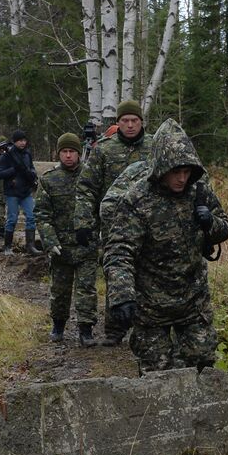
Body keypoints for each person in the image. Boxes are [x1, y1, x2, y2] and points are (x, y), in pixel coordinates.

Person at [103, 120, 228, 373]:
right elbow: (120, 250)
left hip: (193, 302)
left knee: (202, 366)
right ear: (162, 168)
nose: (182, 178)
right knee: (157, 375)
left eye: (186, 171)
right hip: (151, 306)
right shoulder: (138, 199)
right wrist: (121, 296)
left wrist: (210, 223)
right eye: (176, 172)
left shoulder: (198, 190)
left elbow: (224, 228)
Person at [74, 100, 152, 345]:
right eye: (125, 121)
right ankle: (115, 329)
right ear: (117, 123)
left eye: (134, 121)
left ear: (141, 122)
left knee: (150, 275)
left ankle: (148, 328)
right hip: (114, 226)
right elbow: (86, 188)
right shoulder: (104, 150)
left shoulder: (155, 147)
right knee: (117, 274)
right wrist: (84, 222)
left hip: (150, 223)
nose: (130, 125)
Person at [36, 133, 98, 343]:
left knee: (86, 290)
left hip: (86, 245)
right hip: (61, 247)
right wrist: (50, 241)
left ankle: (86, 329)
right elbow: (42, 213)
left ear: (79, 154)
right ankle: (58, 325)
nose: (69, 156)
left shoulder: (91, 177)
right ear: (59, 153)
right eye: (65, 152)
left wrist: (96, 234)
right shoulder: (49, 180)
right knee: (60, 291)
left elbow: (101, 208)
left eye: (72, 152)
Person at [0, 129, 39, 253]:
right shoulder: (7, 155)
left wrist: (32, 174)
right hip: (12, 192)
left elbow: (31, 167)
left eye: (24, 140)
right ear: (14, 141)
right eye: (20, 140)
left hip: (26, 192)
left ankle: (30, 246)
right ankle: (8, 246)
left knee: (31, 217)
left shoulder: (27, 154)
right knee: (12, 219)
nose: (23, 143)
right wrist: (14, 169)